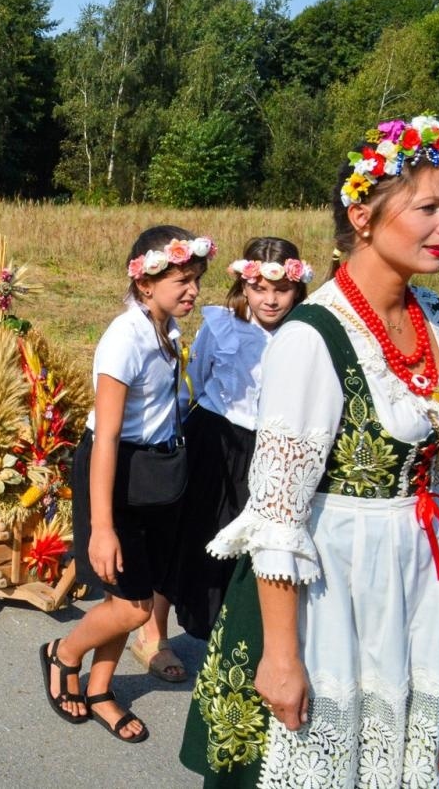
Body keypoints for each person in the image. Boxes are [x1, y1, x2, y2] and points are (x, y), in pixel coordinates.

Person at [180, 115, 439, 786]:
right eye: (429, 208)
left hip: (411, 580)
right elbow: (277, 516)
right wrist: (281, 657)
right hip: (331, 586)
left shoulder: (436, 317)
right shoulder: (314, 336)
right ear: (363, 217)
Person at [40, 226, 212, 745]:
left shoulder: (167, 329)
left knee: (129, 592)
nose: (193, 291)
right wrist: (102, 527)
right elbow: (108, 437)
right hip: (115, 473)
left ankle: (99, 689)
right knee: (133, 605)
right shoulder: (125, 338)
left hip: (153, 476)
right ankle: (64, 653)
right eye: (182, 281)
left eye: (197, 279)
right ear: (145, 283)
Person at [156, 238, 311, 651]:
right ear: (244, 286)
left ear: (297, 289)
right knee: (191, 534)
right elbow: (194, 382)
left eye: (281, 290)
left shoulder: (305, 334)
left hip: (272, 450)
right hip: (217, 441)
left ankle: (239, 639)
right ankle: (153, 635)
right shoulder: (222, 325)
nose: (270, 300)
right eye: (259, 288)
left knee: (256, 547)